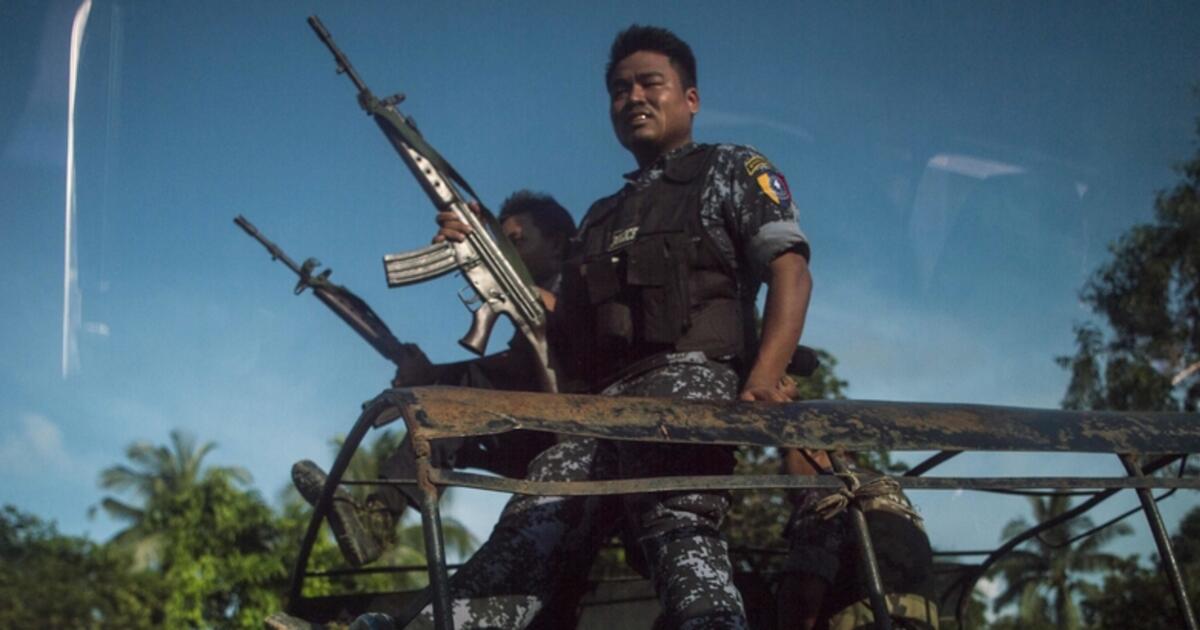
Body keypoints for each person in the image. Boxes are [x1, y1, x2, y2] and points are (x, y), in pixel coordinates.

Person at [415, 24, 813, 630]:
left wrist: (762, 379)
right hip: (599, 408)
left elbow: (790, 271)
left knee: (678, 529)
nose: (633, 98)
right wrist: (487, 250)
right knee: (529, 531)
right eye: (620, 90)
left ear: (691, 98)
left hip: (688, 387)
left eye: (650, 83)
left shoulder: (731, 168)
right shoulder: (602, 216)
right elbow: (563, 325)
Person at [291, 190, 576, 568]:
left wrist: (490, 262)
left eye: (517, 243)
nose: (509, 255)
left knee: (454, 401)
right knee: (444, 416)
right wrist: (431, 376)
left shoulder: (582, 286)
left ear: (555, 242)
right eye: (502, 247)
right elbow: (503, 373)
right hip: (537, 437)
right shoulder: (536, 308)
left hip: (583, 441)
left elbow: (565, 337)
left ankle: (378, 522)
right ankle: (376, 522)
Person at [776, 448, 939, 630]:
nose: (780, 468)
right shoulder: (887, 488)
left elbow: (804, 596)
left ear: (811, 450)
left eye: (783, 455)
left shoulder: (827, 488)